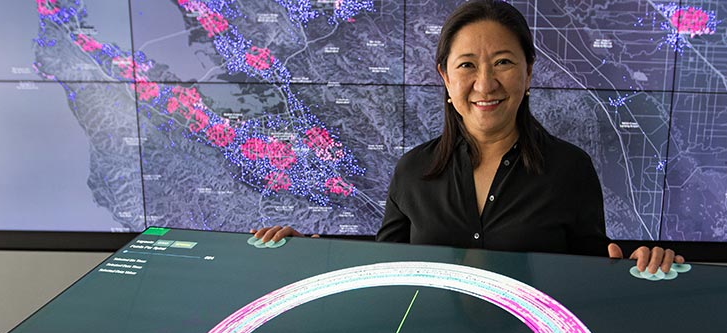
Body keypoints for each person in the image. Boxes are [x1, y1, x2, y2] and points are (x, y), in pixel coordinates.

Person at [253, 0, 684, 273]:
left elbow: (593, 272)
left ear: (529, 73)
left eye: (502, 63)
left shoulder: (570, 170)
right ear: (444, 76)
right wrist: (303, 254)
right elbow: (383, 271)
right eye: (466, 66)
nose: (485, 84)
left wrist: (639, 267)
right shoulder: (412, 171)